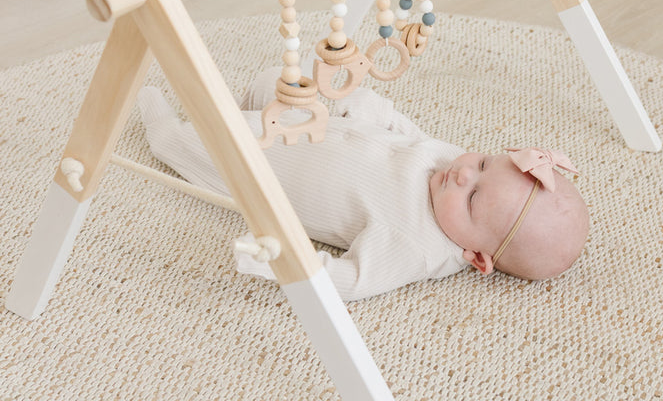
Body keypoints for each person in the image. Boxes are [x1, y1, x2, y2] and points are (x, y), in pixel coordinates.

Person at [137, 69, 589, 301]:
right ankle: (255, 103)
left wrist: (282, 261)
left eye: (471, 197)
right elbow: (412, 135)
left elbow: (350, 282)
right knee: (276, 89)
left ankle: (169, 138)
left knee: (213, 146)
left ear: (475, 257)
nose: (464, 173)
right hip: (321, 129)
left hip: (275, 169)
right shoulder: (455, 170)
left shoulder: (415, 246)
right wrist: (374, 109)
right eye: (486, 162)